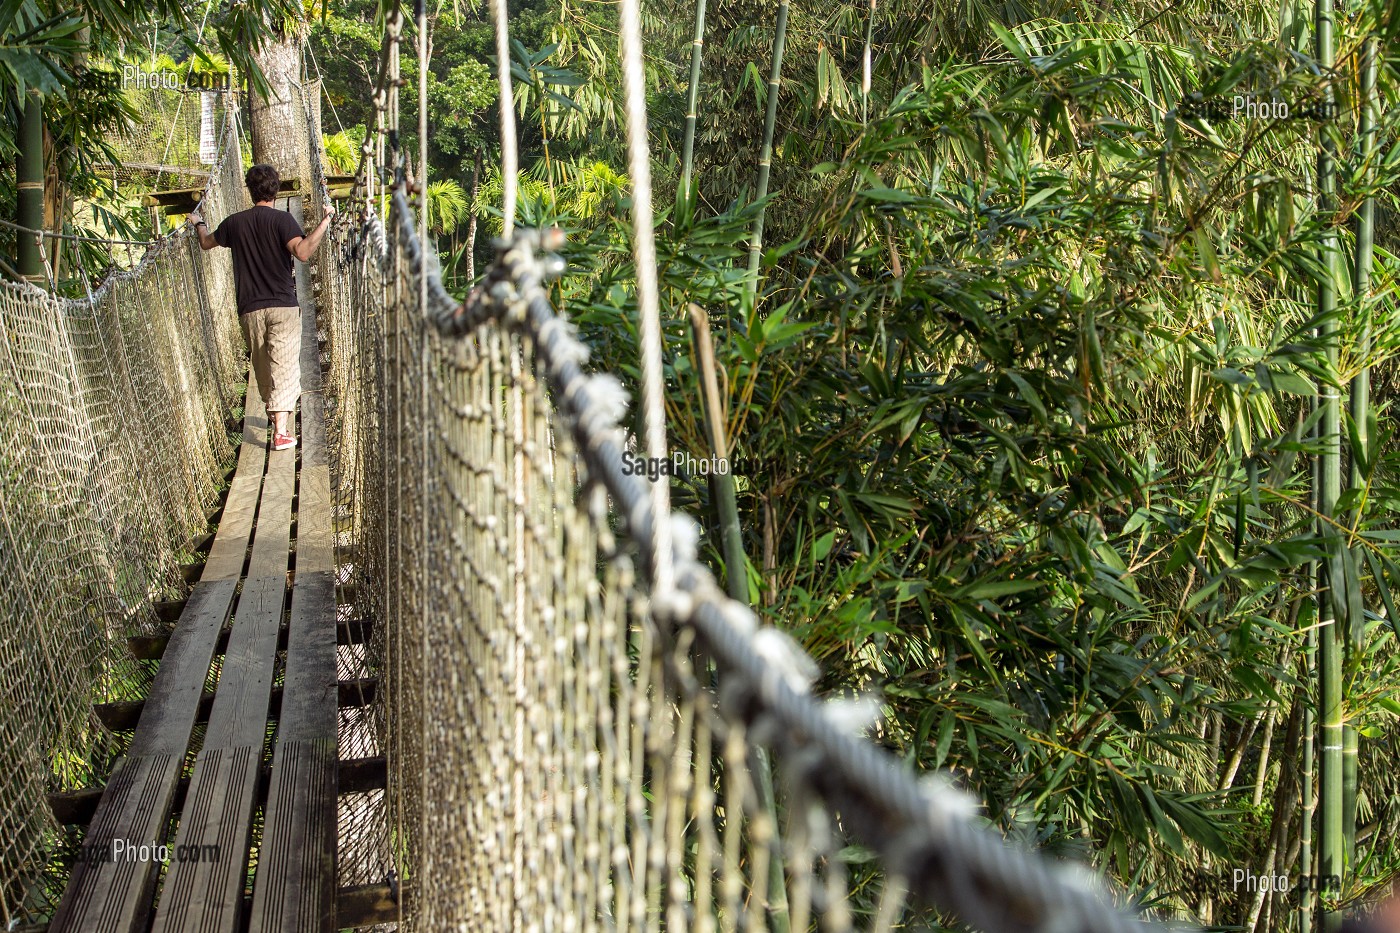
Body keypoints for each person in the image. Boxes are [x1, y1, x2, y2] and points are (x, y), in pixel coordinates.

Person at [187, 163, 334, 451]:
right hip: (282, 306)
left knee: (264, 366)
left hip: (249, 309)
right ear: (276, 190)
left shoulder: (234, 223)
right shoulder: (283, 221)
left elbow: (206, 243)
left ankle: (278, 424)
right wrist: (325, 221)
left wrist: (199, 222)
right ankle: (280, 430)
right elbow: (303, 252)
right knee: (285, 365)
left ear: (249, 189)